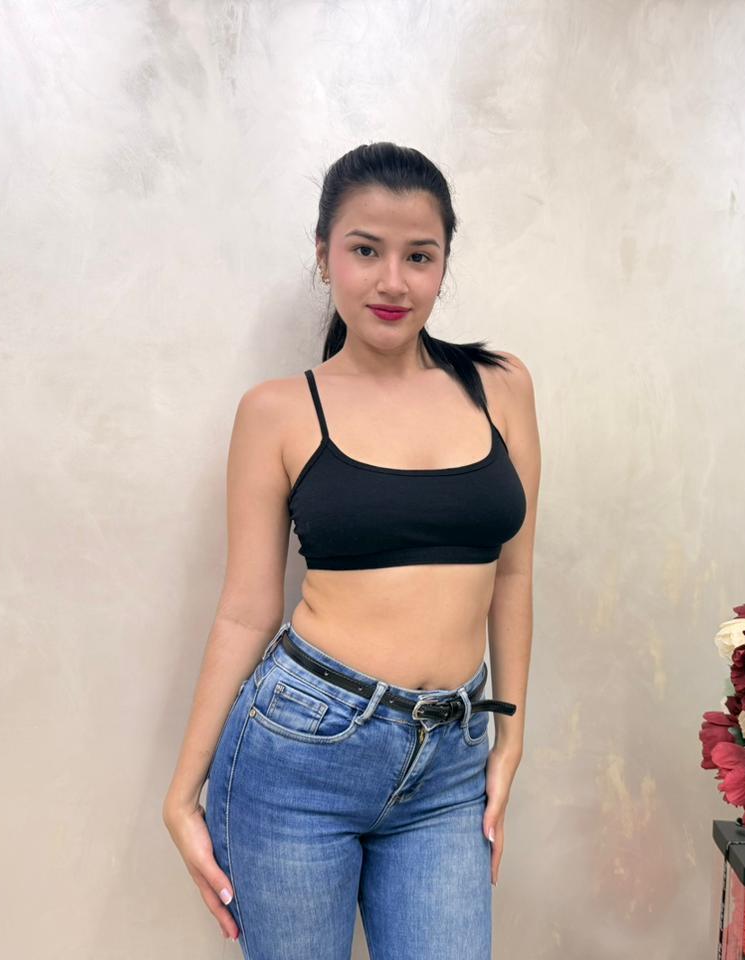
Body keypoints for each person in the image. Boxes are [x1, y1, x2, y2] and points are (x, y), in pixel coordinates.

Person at [161, 141, 540, 960]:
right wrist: (183, 791)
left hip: (450, 762)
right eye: (365, 250)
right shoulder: (278, 411)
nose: (392, 281)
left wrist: (510, 737)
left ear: (444, 264)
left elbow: (513, 572)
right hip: (300, 753)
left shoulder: (501, 386)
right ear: (324, 255)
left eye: (419, 256)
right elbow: (247, 610)